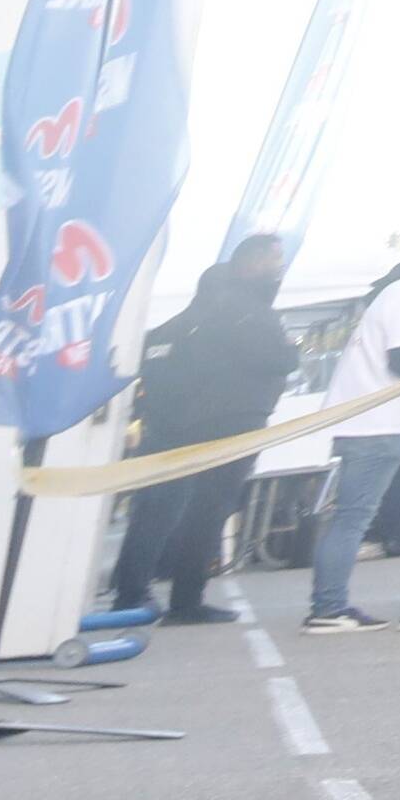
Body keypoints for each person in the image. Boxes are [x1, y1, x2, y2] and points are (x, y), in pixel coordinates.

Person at [102, 233, 296, 626]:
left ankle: (130, 594)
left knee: (153, 512)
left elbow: (151, 380)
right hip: (214, 427)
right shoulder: (242, 315)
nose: (278, 269)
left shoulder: (169, 329)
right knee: (204, 512)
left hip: (167, 429)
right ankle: (183, 599)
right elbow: (281, 358)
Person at [301, 207, 400, 631]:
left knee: (354, 517)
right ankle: (328, 608)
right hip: (378, 421)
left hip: (370, 418)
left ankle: (331, 605)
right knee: (353, 518)